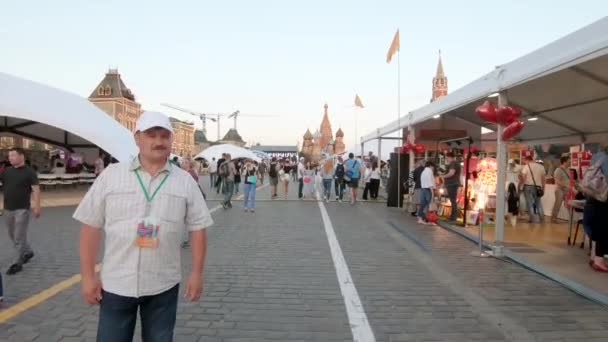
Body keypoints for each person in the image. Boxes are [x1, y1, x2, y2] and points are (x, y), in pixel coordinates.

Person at [73, 111, 213, 342]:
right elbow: (90, 226)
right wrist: (88, 276)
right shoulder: (111, 176)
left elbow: (198, 228)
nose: (158, 141)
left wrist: (197, 273)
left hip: (163, 285)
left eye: (164, 136)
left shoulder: (185, 180)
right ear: (137, 138)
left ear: (171, 140)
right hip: (116, 283)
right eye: (151, 135)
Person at [1, 147, 41, 275]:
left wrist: (37, 206)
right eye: (9, 156)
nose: (10, 158)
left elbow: (36, 190)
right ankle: (28, 251)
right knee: (13, 235)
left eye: (13, 155)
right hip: (7, 209)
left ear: (21, 156)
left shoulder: (30, 172)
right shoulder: (6, 172)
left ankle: (17, 263)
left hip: (22, 209)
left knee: (18, 236)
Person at [584, 145, 608, 272]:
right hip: (604, 199)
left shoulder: (598, 158)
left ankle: (595, 258)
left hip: (595, 198)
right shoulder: (606, 160)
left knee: (598, 228)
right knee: (604, 229)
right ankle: (599, 260)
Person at [521, 156, 546, 223]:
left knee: (530, 203)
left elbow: (523, 178)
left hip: (528, 187)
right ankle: (542, 218)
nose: (524, 162)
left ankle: (532, 219)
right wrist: (543, 188)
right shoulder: (541, 167)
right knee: (538, 203)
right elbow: (543, 179)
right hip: (538, 187)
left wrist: (521, 185)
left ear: (527, 160)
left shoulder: (526, 166)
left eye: (525, 161)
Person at [441, 152, 461, 222]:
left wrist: (443, 176)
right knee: (452, 200)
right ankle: (452, 216)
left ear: (450, 157)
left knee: (453, 201)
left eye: (446, 158)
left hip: (452, 184)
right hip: (452, 184)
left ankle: (453, 217)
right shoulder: (453, 163)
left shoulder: (453, 163)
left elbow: (451, 173)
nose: (446, 159)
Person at [551, 155, 570, 223]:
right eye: (568, 162)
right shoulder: (558, 170)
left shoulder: (568, 169)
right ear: (564, 162)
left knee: (569, 204)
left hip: (567, 190)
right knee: (558, 204)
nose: (569, 163)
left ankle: (571, 219)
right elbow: (557, 181)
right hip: (560, 190)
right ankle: (553, 218)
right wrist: (565, 185)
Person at [417, 161, 436, 225]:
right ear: (430, 166)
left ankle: (420, 219)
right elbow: (430, 182)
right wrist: (432, 193)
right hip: (428, 190)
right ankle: (431, 220)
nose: (433, 168)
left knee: (422, 205)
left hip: (423, 189)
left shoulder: (423, 172)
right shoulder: (429, 171)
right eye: (433, 167)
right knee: (430, 205)